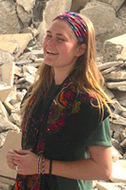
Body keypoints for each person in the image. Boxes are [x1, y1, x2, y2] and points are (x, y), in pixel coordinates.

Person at [7, 12, 112, 189]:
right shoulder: (36, 92)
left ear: (80, 49)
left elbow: (103, 170)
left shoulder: (90, 104)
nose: (50, 43)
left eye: (60, 39)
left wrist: (41, 165)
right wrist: (19, 158)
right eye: (48, 35)